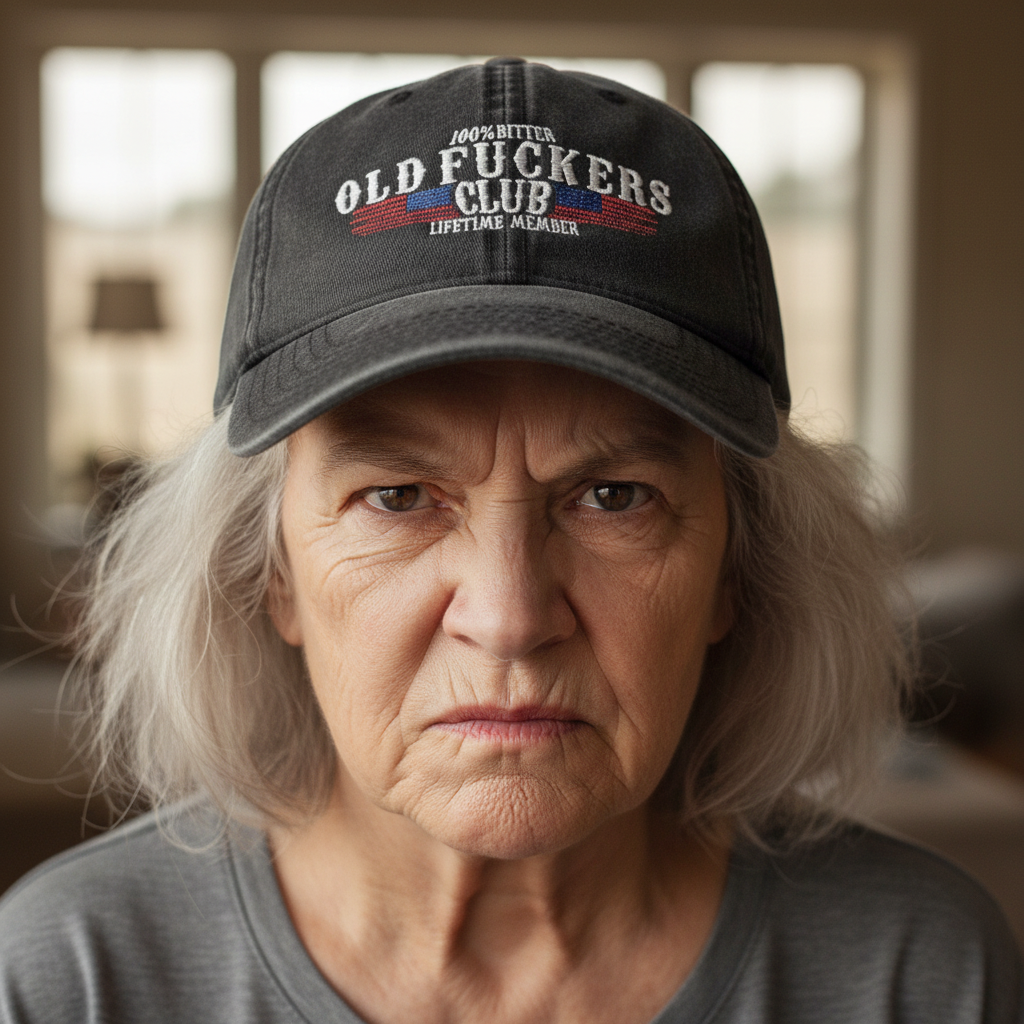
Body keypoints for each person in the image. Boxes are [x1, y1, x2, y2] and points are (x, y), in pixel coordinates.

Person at [0, 57, 1020, 1024]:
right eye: (398, 496)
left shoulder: (916, 969)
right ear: (271, 573)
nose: (510, 616)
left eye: (615, 495)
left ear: (735, 572)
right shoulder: (75, 973)